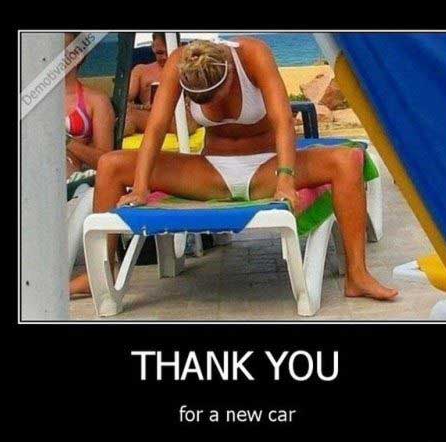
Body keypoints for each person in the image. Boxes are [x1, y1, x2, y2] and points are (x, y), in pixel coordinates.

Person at [71, 37, 398, 300]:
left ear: (228, 72)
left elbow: (283, 121)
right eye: (201, 100)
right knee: (111, 164)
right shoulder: (179, 63)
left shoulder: (253, 55)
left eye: (216, 95)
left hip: (266, 168)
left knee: (347, 159)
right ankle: (102, 271)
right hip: (211, 172)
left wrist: (286, 179)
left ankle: (357, 275)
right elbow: (155, 129)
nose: (212, 104)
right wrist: (141, 188)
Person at [65, 32, 115, 296]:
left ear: (78, 54)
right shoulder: (32, 99)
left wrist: (67, 142)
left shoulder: (96, 101)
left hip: (73, 189)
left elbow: (106, 160)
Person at [124, 32, 198, 137]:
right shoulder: (141, 70)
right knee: (128, 116)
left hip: (179, 118)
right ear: (153, 47)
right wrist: (142, 107)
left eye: (169, 52)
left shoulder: (187, 69)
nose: (164, 57)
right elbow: (125, 100)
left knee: (189, 119)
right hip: (150, 116)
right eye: (160, 53)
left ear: (178, 48)